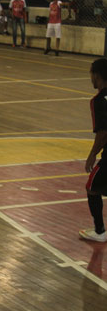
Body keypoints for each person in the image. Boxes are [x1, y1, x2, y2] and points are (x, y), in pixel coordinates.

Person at [80, 58, 107, 242]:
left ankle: (100, 231)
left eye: (91, 73)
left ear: (97, 75)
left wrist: (92, 155)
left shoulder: (98, 101)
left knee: (92, 187)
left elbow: (103, 132)